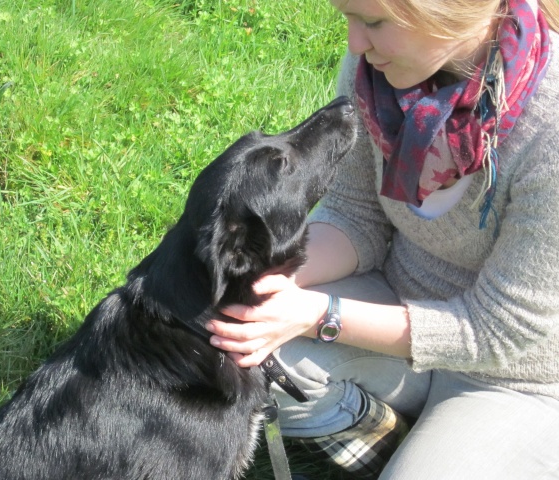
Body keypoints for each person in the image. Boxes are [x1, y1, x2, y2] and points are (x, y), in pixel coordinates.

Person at [205, 0, 559, 478]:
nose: (355, 44)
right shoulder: (375, 69)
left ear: (449, 13)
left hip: (518, 377)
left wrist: (318, 315)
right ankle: (379, 435)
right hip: (393, 298)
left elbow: (498, 332)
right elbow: (355, 215)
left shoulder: (551, 128)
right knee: (225, 354)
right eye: (349, 17)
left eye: (374, 22)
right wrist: (265, 280)